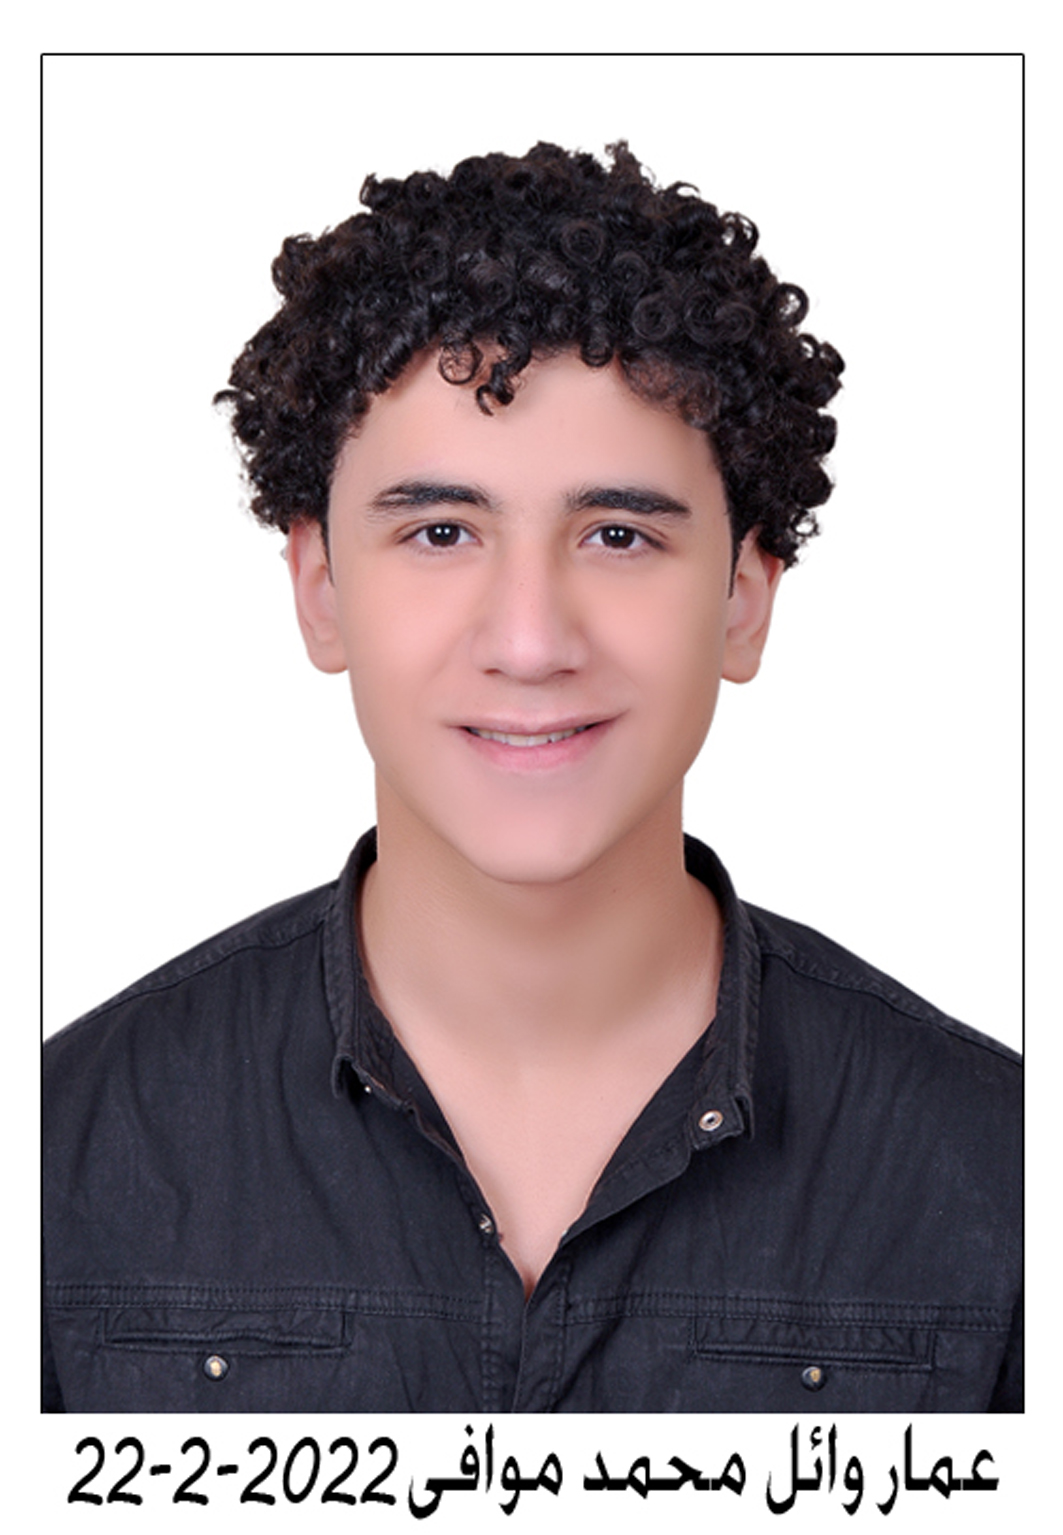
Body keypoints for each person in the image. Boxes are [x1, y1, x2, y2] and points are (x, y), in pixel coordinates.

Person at [43, 142, 1021, 1413]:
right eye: (441, 531)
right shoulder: (56, 1154)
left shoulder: (1004, 1172)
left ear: (742, 598)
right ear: (321, 589)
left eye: (617, 534)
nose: (529, 639)